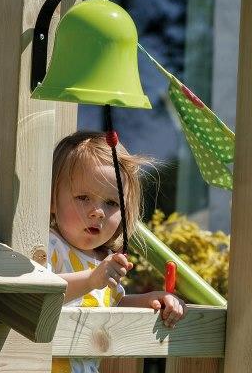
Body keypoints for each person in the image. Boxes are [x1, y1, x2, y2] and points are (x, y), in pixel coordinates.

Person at [48, 131, 187, 373]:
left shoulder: (103, 259)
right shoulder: (50, 245)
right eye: (83, 197)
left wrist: (151, 301)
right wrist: (91, 279)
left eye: (111, 203)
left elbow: (112, 304)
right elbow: (41, 293)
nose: (98, 212)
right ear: (51, 200)